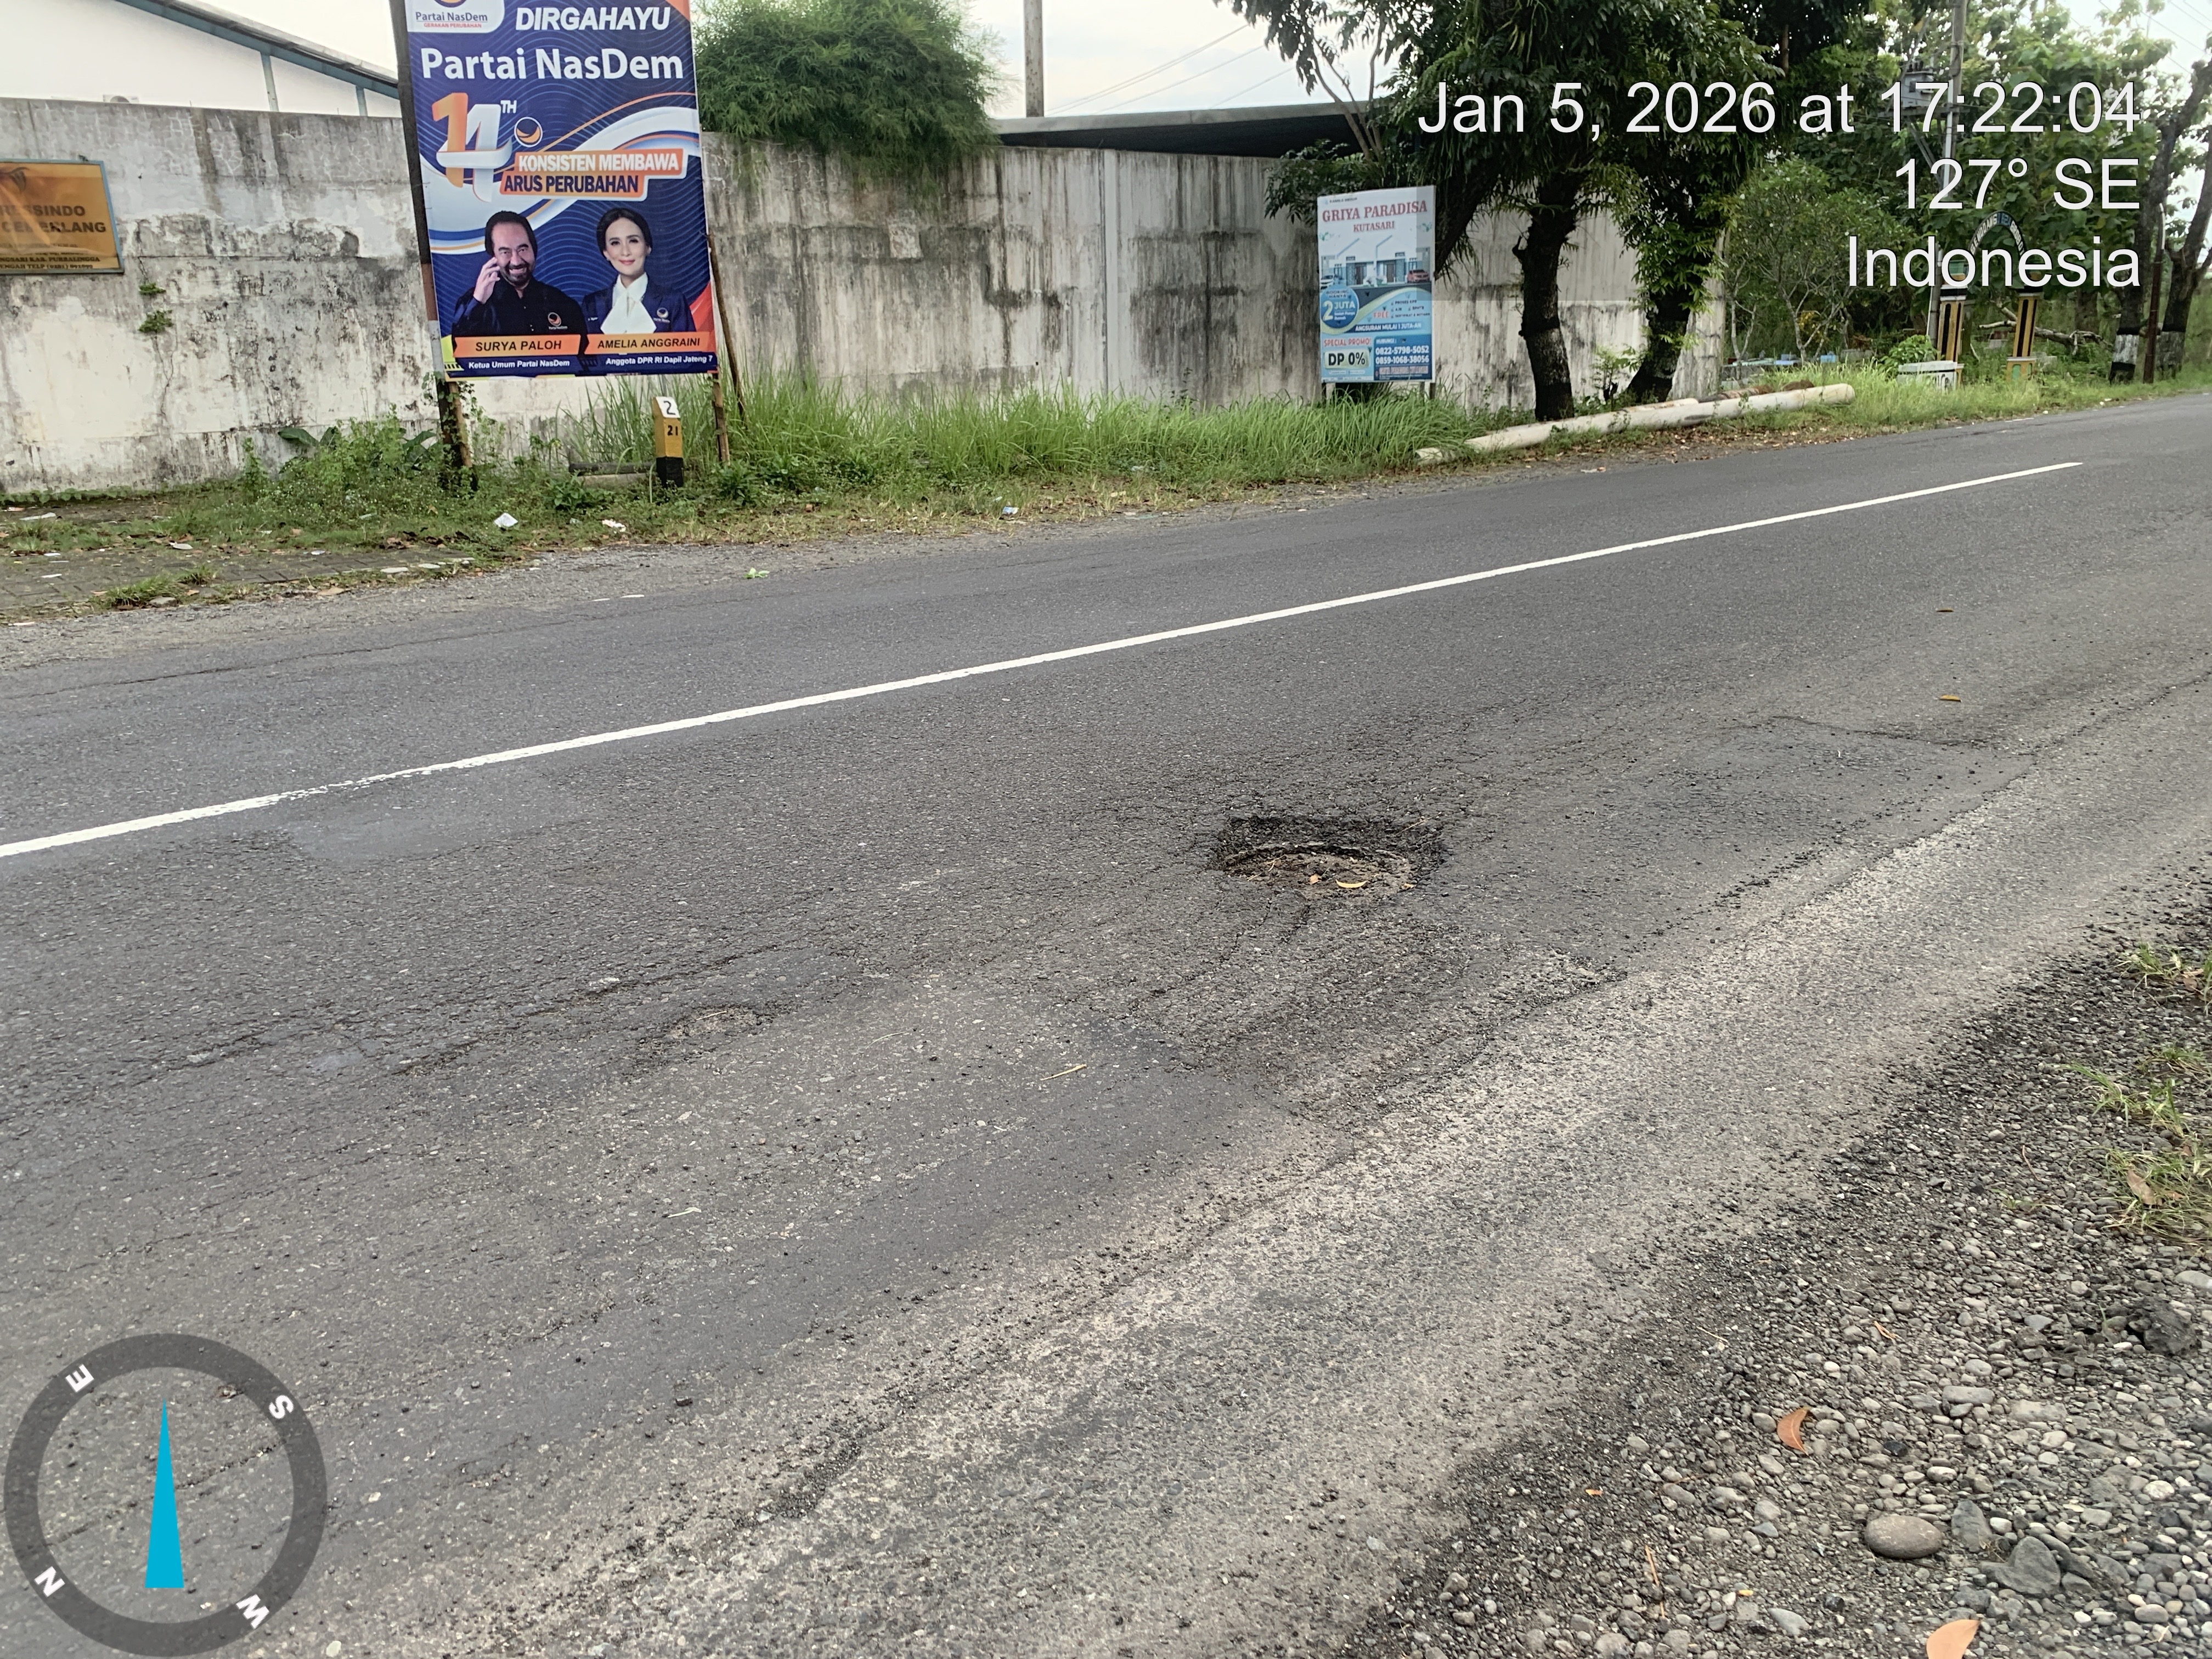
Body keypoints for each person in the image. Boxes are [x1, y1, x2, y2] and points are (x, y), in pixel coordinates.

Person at [450, 211, 585, 337]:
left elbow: (582, 350)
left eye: (522, 250)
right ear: (493, 256)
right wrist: (478, 304)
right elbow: (461, 350)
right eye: (505, 252)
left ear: (534, 249)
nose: (516, 261)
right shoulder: (474, 303)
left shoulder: (561, 303)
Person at [580, 207, 690, 348]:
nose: (626, 252)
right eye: (615, 243)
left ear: (648, 247)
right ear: (606, 252)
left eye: (633, 241)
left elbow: (689, 356)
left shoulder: (673, 301)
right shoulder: (592, 304)